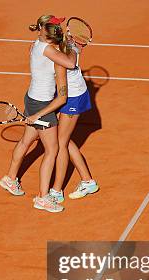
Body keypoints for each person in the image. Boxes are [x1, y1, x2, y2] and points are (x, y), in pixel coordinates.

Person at [0, 15, 76, 213]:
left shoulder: (35, 44)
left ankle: (10, 178)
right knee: (52, 150)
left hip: (31, 98)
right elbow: (63, 95)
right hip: (42, 105)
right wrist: (73, 48)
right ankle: (43, 198)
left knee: (26, 140)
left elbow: (60, 57)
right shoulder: (55, 58)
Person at [48, 39, 99, 202]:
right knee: (64, 139)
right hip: (67, 94)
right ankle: (87, 180)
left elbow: (69, 63)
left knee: (61, 142)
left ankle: (56, 190)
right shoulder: (65, 45)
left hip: (72, 97)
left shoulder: (63, 50)